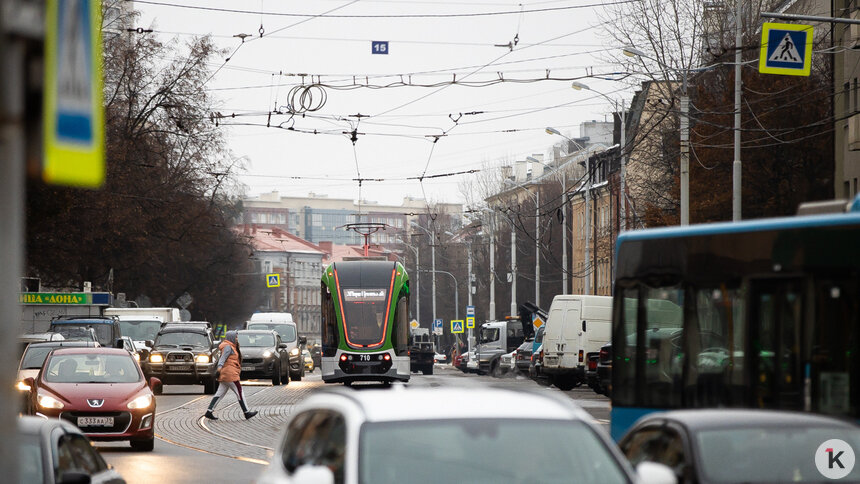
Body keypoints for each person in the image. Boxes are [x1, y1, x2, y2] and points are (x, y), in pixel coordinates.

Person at [204, 331, 257, 420]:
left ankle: (209, 411)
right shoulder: (228, 347)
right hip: (230, 374)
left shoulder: (230, 346)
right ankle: (246, 412)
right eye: (236, 337)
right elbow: (222, 359)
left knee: (219, 393)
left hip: (226, 374)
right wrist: (219, 369)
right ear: (231, 338)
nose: (237, 339)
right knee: (239, 392)